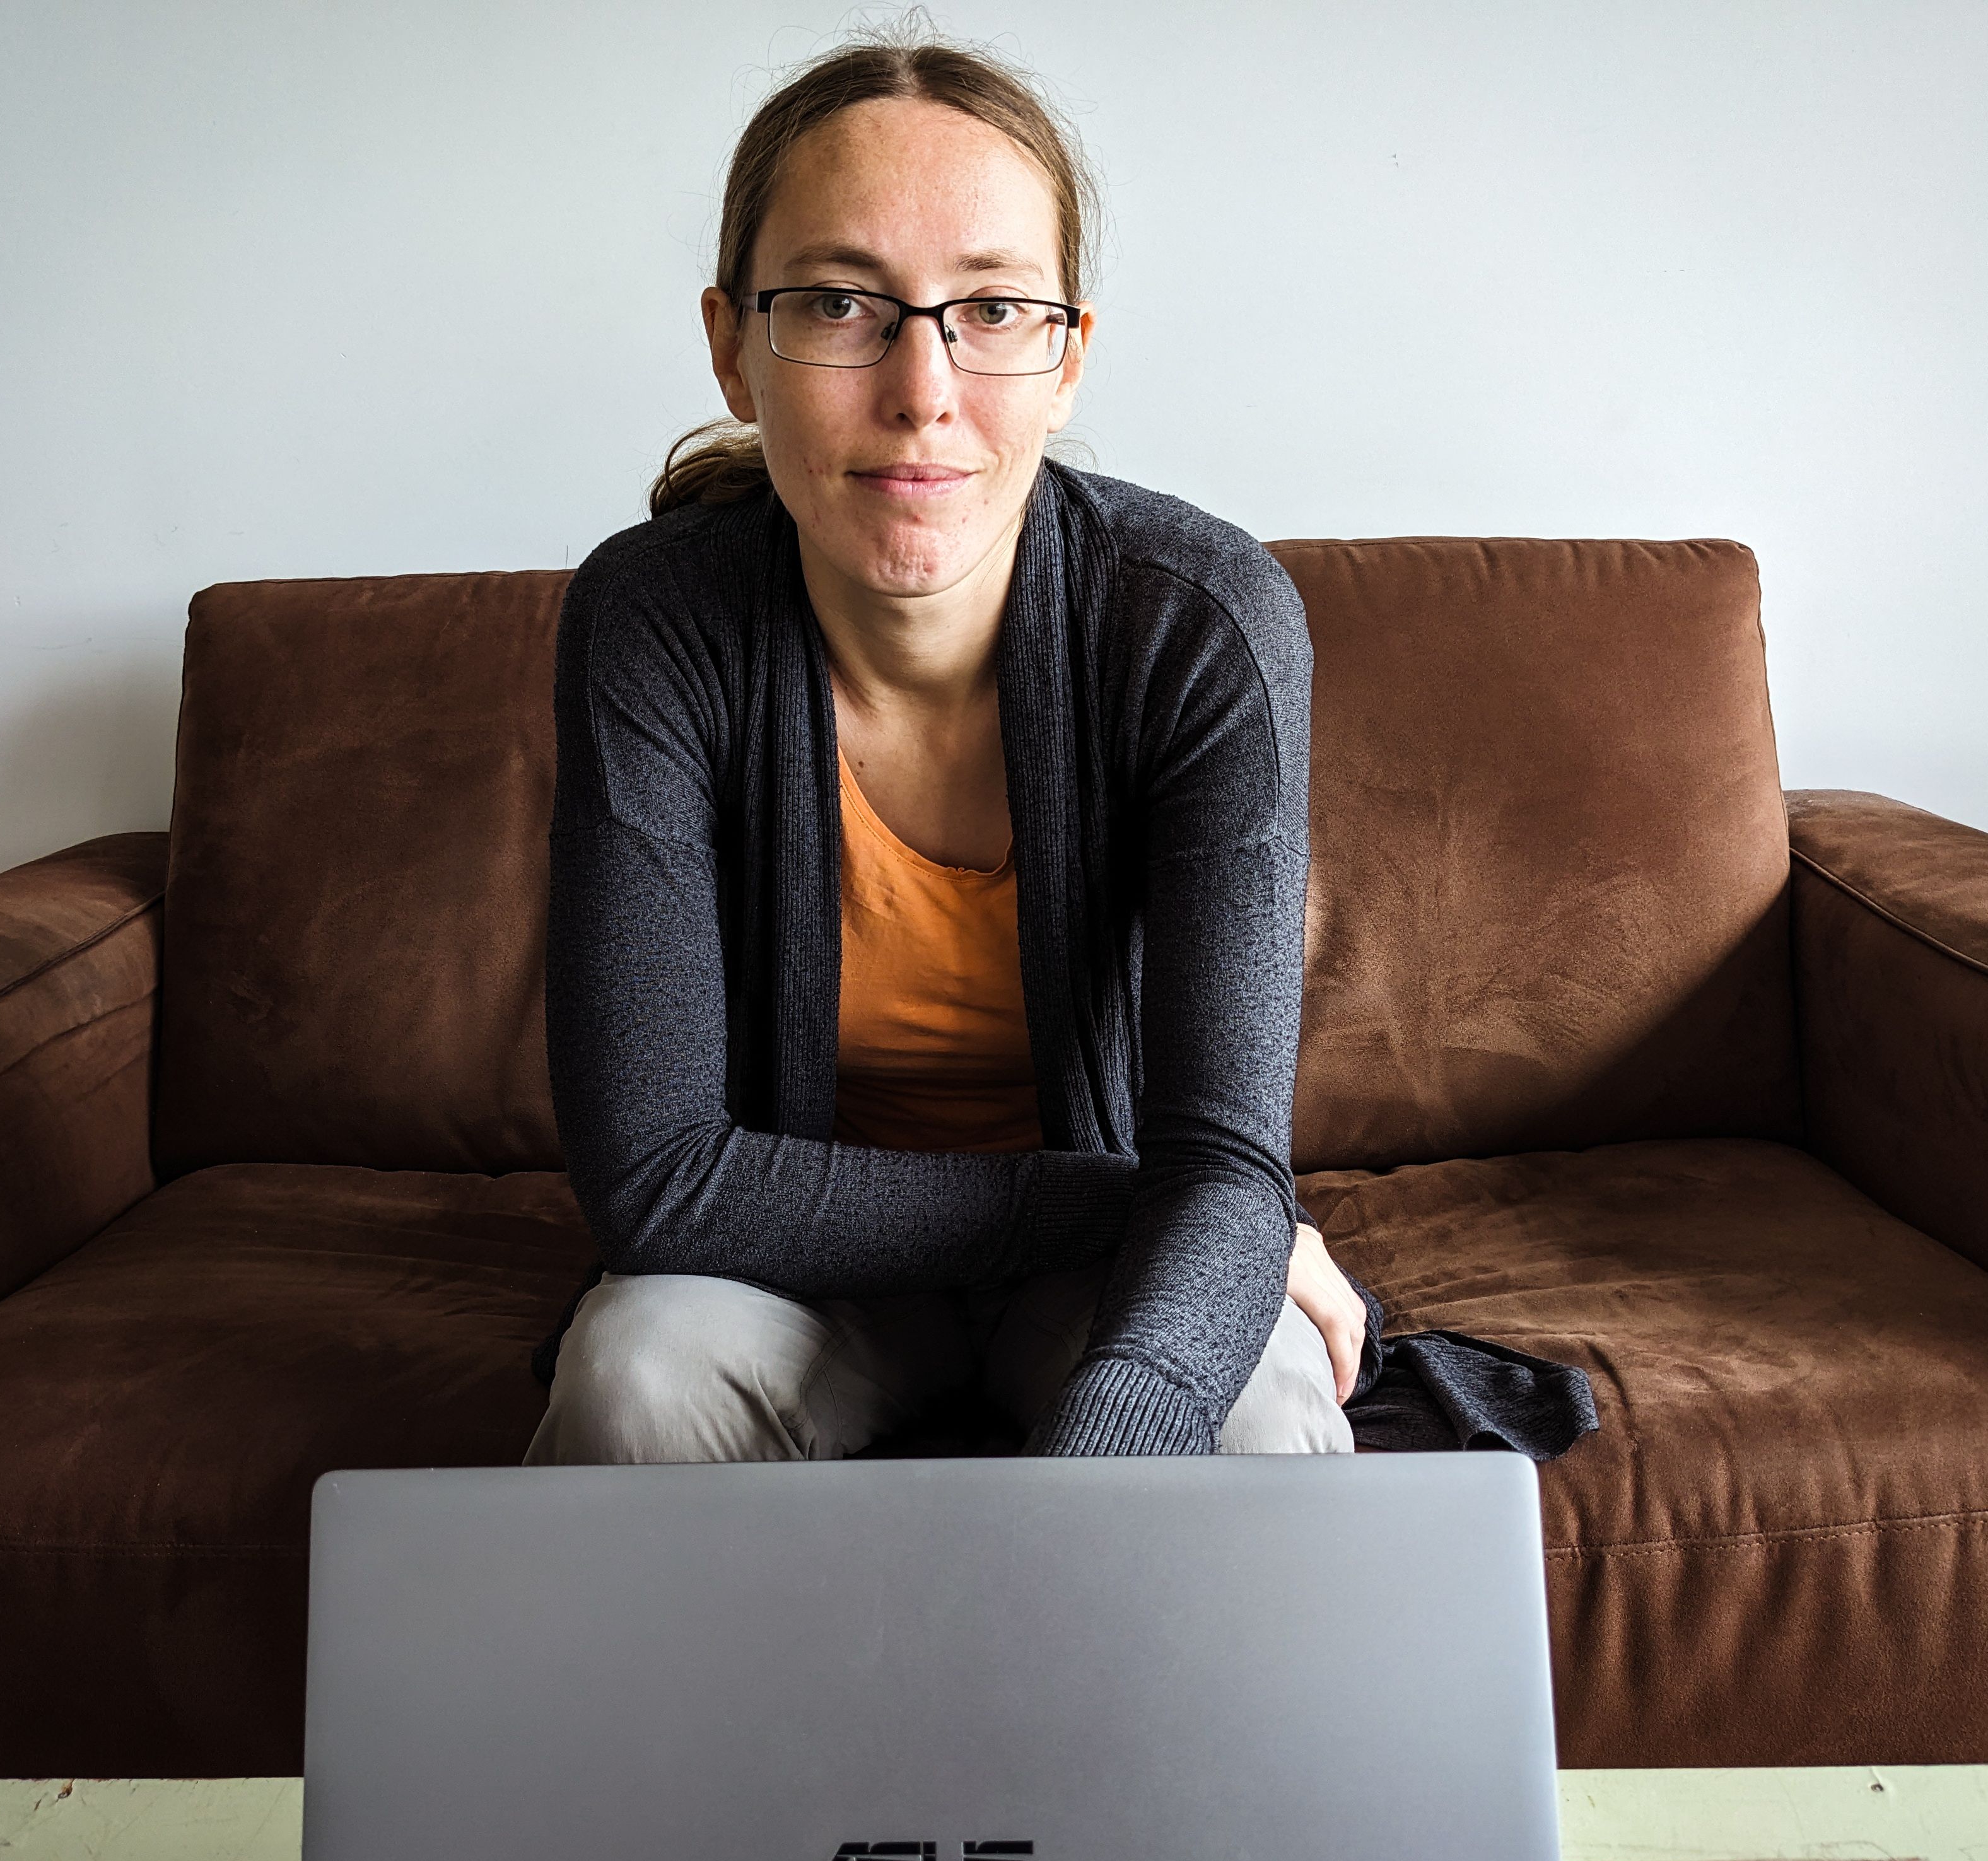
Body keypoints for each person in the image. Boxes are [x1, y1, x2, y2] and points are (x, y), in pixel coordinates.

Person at [523, 32, 1367, 1462]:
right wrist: (1155, 1201)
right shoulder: (653, 618)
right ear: (735, 346)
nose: (924, 390)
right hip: (788, 1279)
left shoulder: (1200, 624)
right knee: (634, 1376)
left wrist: (1105, 1456)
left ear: (1068, 357)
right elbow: (658, 1185)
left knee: (1256, 1409)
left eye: (990, 309)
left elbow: (1227, 1154)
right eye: (844, 303)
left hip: (1099, 1290)